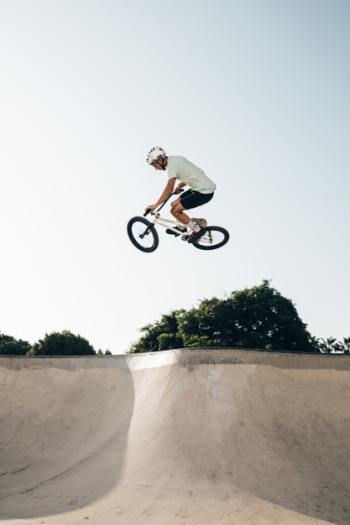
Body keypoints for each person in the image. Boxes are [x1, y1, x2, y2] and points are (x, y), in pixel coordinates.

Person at [145, 147, 216, 243]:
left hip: (204, 193)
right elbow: (197, 172)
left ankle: (197, 231)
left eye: (155, 165)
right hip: (199, 188)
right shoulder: (176, 158)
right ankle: (181, 228)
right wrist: (180, 185)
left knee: (175, 211)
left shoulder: (171, 167)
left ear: (160, 160)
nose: (156, 169)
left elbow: (169, 188)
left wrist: (155, 205)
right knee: (173, 204)